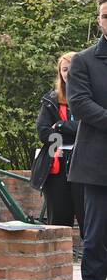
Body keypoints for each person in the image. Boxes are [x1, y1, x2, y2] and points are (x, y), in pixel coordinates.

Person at [66, 0, 107, 280]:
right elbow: (80, 103)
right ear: (99, 20)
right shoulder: (85, 61)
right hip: (97, 164)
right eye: (106, 16)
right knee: (96, 234)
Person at [34, 52, 84, 242]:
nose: (68, 73)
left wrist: (62, 126)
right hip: (56, 169)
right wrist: (60, 139)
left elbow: (89, 128)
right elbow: (44, 131)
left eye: (72, 69)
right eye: (64, 70)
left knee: (89, 223)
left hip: (84, 166)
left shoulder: (90, 97)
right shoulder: (51, 100)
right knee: (58, 225)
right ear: (59, 73)